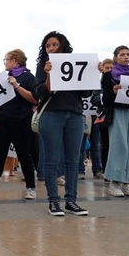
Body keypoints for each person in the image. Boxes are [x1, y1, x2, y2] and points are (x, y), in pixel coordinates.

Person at [35, 31, 90, 216]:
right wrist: (49, 74)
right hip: (51, 115)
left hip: (75, 115)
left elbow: (86, 93)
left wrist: (93, 73)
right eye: (48, 46)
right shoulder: (43, 66)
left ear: (63, 46)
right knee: (51, 160)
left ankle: (71, 201)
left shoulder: (76, 65)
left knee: (73, 161)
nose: (51, 48)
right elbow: (42, 92)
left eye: (54, 45)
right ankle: (53, 201)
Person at [0, 49, 38, 201]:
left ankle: (31, 188)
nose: (5, 62)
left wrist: (17, 86)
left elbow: (35, 99)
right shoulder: (3, 77)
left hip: (22, 122)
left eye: (6, 59)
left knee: (24, 155)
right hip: (3, 122)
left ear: (15, 61)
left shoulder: (28, 77)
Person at [102, 45, 129, 197]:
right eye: (122, 54)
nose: (126, 57)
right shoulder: (109, 76)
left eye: (128, 54)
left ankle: (128, 181)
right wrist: (114, 93)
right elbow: (105, 100)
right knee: (120, 146)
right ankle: (114, 181)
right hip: (117, 112)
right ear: (115, 57)